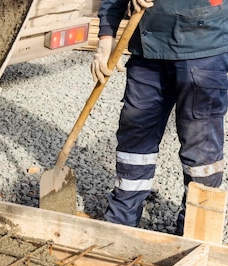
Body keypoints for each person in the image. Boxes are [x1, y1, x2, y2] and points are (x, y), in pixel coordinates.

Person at [92, 0, 228, 235]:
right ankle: (121, 222)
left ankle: (197, 231)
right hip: (147, 53)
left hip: (202, 49)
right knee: (134, 140)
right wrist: (105, 38)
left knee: (201, 149)